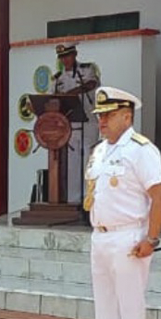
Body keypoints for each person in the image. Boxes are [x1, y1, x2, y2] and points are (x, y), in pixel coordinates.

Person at [82, 86, 161, 319]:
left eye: (108, 115)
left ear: (127, 117)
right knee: (105, 304)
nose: (101, 121)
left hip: (128, 235)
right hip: (101, 234)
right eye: (100, 115)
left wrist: (151, 238)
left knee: (129, 305)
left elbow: (159, 195)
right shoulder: (100, 151)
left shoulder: (141, 150)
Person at [51, 43, 100, 203]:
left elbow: (92, 83)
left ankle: (89, 199)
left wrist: (72, 93)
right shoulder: (57, 79)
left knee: (89, 161)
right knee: (72, 164)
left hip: (88, 122)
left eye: (67, 56)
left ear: (75, 54)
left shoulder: (86, 69)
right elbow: (52, 99)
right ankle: (74, 200)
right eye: (61, 57)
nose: (64, 60)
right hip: (70, 125)